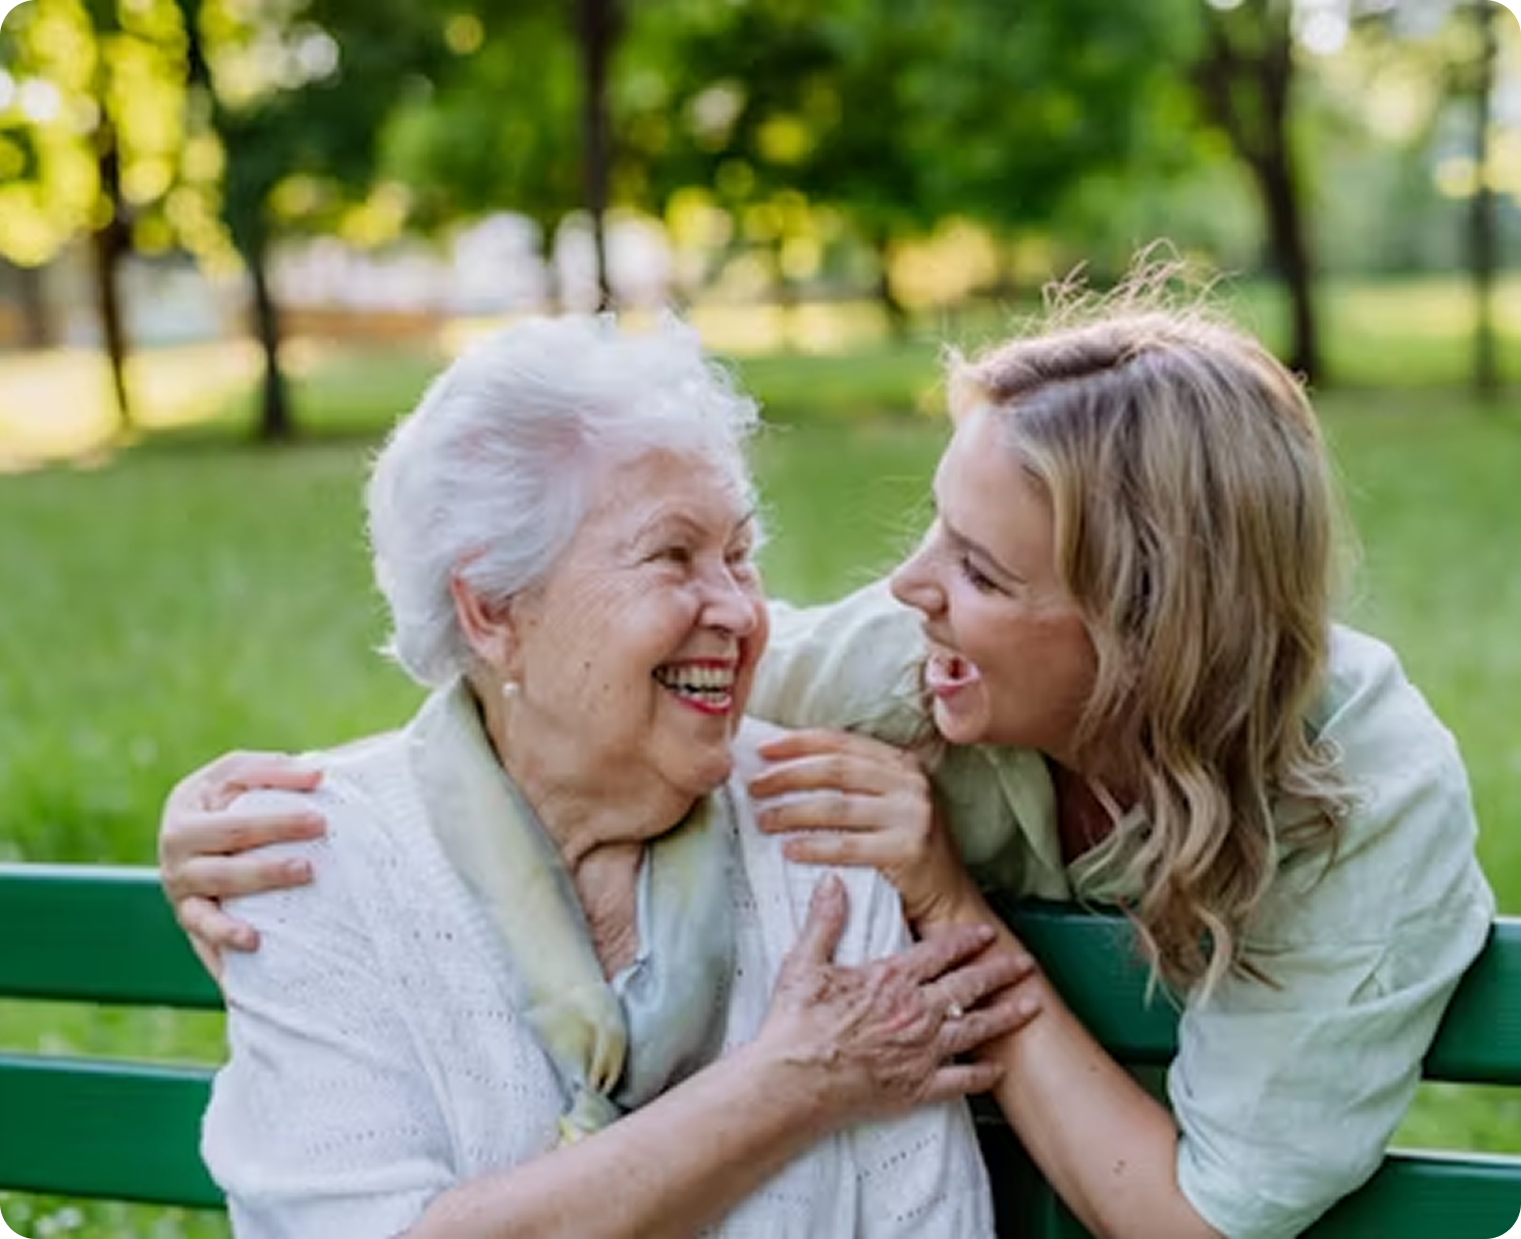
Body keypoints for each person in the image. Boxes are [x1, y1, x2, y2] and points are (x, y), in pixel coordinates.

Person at [161, 269, 1495, 1239]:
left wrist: (944, 903)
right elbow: (580, 687)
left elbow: (1183, 1221)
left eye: (979, 570)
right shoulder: (891, 671)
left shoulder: (1361, 798)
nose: (909, 589)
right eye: (936, 532)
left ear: (1143, 633)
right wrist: (228, 822)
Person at [174, 313, 1036, 1239]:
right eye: (672, 555)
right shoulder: (306, 856)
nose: (739, 610)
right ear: (492, 609)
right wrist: (790, 1081)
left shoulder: (819, 826)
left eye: (739, 555)